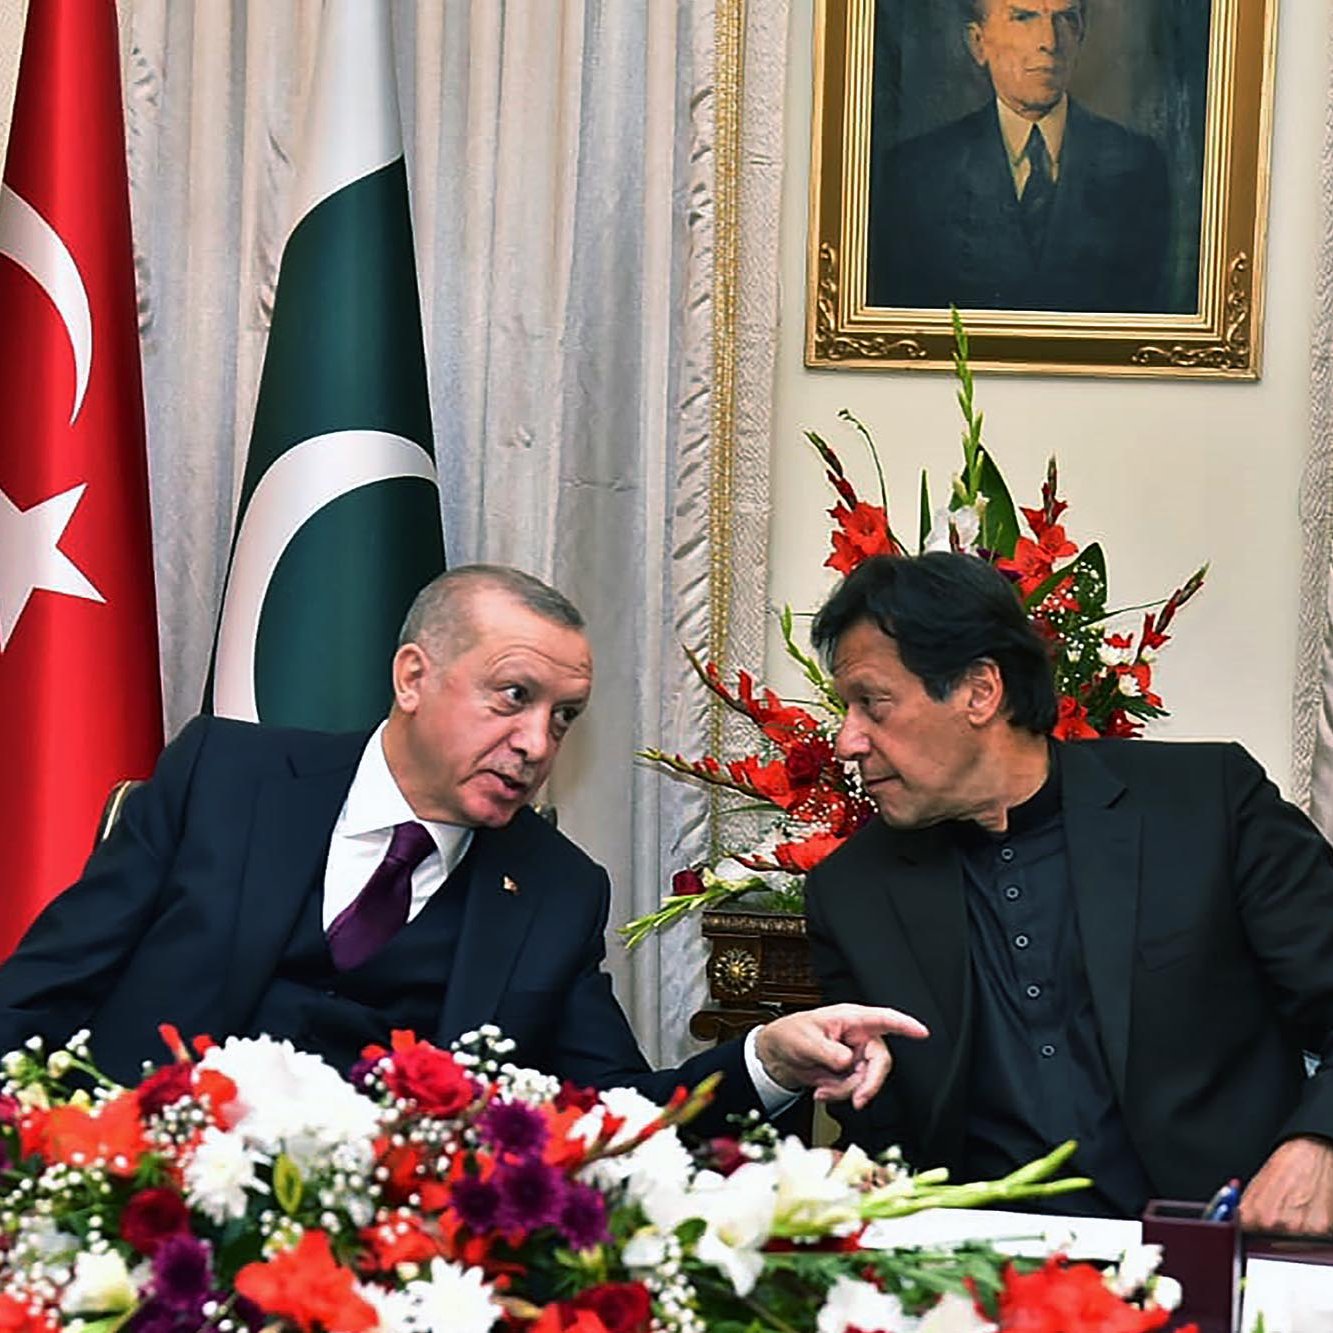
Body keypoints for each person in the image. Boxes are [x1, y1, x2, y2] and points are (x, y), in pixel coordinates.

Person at [0, 565, 926, 1135]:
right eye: (511, 696)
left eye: (562, 717)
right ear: (413, 677)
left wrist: (766, 1055)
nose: (536, 742)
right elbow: (41, 991)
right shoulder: (224, 776)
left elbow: (614, 1114)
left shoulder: (557, 890)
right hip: (141, 1207)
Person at [804, 551, 1333, 1233]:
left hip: (1220, 1250)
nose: (847, 739)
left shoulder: (1205, 805)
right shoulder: (851, 891)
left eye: (871, 704)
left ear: (978, 691)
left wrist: (1318, 1141)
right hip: (983, 1280)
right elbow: (883, 1136)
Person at [867, 0, 1177, 313]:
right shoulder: (916, 173)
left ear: (1080, 32)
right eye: (1023, 17)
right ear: (978, 43)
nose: (1049, 41)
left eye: (1066, 18)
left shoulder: (1139, 165)